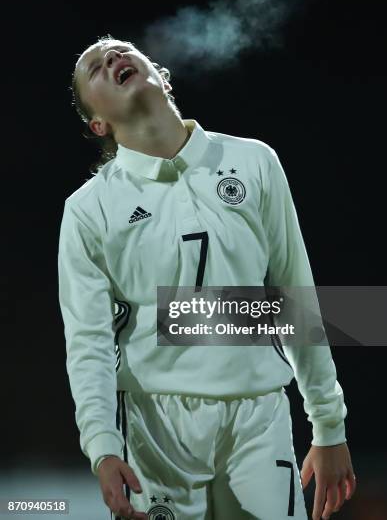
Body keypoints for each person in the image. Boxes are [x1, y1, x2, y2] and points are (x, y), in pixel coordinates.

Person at [58, 34, 356, 520]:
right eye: (94, 66)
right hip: (156, 429)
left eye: (122, 50)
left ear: (163, 77)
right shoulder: (88, 210)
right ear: (98, 123)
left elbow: (295, 298)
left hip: (259, 417)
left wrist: (329, 425)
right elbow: (88, 340)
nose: (111, 57)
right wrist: (102, 446)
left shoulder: (254, 161)